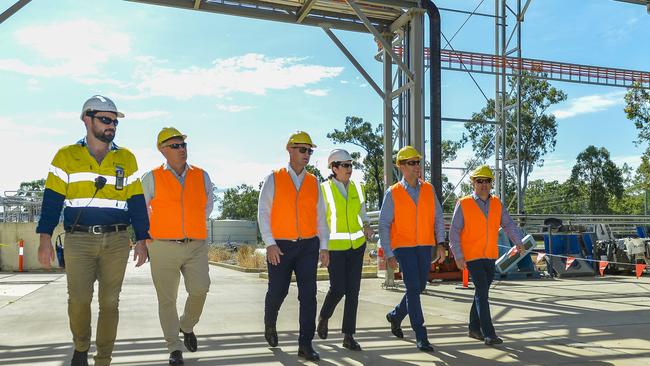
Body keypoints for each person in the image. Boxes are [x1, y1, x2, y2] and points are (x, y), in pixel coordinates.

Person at [36, 95, 150, 366]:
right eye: (105, 119)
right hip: (79, 240)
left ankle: (104, 359)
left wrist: (142, 239)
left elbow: (136, 203)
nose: (111, 125)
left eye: (114, 122)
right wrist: (44, 239)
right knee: (78, 300)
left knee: (110, 303)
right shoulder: (66, 156)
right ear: (87, 119)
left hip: (118, 239)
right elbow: (51, 201)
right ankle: (80, 345)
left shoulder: (127, 158)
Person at [141, 127, 214, 365]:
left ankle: (187, 325)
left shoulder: (201, 175)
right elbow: (141, 211)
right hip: (162, 246)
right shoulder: (151, 177)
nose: (182, 149)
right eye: (175, 146)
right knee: (167, 299)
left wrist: (189, 224)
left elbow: (207, 206)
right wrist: (143, 240)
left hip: (195, 244)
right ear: (163, 150)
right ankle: (174, 347)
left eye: (183, 145)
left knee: (200, 289)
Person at [257, 131, 330, 361]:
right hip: (280, 246)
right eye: (302, 149)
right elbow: (263, 212)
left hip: (308, 245)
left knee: (308, 295)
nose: (307, 154)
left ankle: (305, 344)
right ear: (289, 149)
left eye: (310, 150)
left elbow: (321, 216)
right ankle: (270, 323)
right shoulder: (274, 178)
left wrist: (324, 247)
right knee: (278, 291)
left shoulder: (313, 181)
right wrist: (269, 243)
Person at [378, 146, 446, 352]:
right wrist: (389, 253)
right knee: (413, 289)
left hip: (424, 245)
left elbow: (438, 217)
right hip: (404, 247)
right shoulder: (394, 192)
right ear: (401, 166)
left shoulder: (428, 189)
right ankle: (421, 333)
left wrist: (441, 243)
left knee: (419, 287)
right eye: (412, 163)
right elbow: (383, 224)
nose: (417, 166)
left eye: (418, 162)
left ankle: (396, 315)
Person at [449, 165, 524, 346]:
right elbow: (454, 232)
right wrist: (458, 256)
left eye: (487, 181)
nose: (483, 184)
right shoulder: (464, 203)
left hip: (490, 256)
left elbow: (508, 224)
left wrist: (518, 241)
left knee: (481, 292)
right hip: (472, 256)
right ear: (473, 183)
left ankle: (473, 328)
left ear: (491, 183)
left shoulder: (497, 203)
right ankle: (489, 333)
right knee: (482, 293)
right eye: (479, 181)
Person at [316, 149, 374, 351]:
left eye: (351, 165)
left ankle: (348, 335)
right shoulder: (324, 189)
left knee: (354, 292)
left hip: (357, 246)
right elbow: (321, 221)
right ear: (334, 168)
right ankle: (324, 316)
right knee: (338, 288)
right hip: (335, 248)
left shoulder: (358, 187)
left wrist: (366, 225)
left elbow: (363, 213)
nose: (349, 169)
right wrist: (323, 248)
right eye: (345, 165)